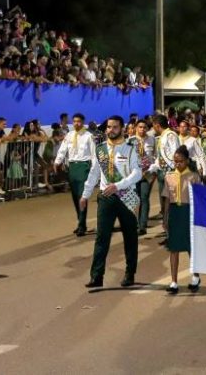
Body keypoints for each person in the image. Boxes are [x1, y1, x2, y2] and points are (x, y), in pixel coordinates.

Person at [81, 115, 141, 288]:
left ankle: (130, 273)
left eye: (114, 127)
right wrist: (85, 195)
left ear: (122, 129)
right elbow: (93, 173)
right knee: (102, 238)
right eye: (108, 127)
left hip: (126, 198)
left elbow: (137, 173)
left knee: (130, 237)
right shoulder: (100, 150)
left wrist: (119, 185)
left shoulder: (130, 149)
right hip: (106, 198)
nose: (110, 130)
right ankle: (96, 276)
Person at [161, 146, 201, 294]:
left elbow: (200, 199)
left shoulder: (194, 176)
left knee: (191, 247)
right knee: (174, 248)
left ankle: (195, 276)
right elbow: (166, 200)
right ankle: (173, 281)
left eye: (181, 161)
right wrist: (165, 218)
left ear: (187, 161)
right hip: (175, 213)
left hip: (189, 212)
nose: (177, 164)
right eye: (175, 161)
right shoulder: (169, 176)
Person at [54, 113, 95, 236]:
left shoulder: (89, 136)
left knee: (82, 196)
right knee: (74, 196)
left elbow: (93, 154)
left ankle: (82, 226)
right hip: (72, 167)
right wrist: (57, 162)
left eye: (79, 121)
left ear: (83, 122)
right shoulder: (69, 135)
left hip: (84, 166)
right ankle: (81, 223)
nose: (76, 123)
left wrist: (94, 171)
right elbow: (63, 149)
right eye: (74, 121)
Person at [148, 115, 181, 218]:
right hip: (162, 172)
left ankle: (173, 224)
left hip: (171, 172)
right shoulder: (162, 136)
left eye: (153, 126)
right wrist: (152, 168)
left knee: (171, 200)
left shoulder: (171, 135)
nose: (153, 129)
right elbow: (161, 156)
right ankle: (167, 223)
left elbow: (176, 154)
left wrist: (172, 171)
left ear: (157, 125)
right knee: (164, 199)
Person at [128, 119, 156, 235]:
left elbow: (156, 156)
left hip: (147, 174)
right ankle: (134, 223)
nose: (142, 129)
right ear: (135, 128)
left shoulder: (152, 140)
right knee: (135, 199)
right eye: (140, 127)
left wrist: (152, 169)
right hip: (134, 174)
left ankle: (142, 225)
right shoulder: (130, 141)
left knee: (144, 198)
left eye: (144, 127)